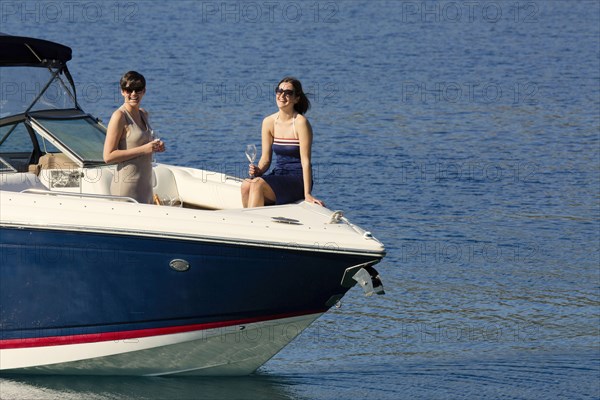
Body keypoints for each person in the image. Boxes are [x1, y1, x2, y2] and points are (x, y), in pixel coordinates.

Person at [241, 77, 324, 208]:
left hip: (297, 179)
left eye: (288, 93)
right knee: (246, 184)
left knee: (257, 184)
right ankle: (250, 221)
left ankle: (253, 223)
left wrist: (307, 193)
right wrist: (258, 170)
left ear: (296, 98)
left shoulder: (300, 123)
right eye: (279, 91)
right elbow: (266, 159)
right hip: (278, 174)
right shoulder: (268, 122)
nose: (282, 95)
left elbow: (306, 161)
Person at [103, 71, 165, 204]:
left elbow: (144, 145)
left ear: (144, 91)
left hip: (146, 187)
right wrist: (144, 149)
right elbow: (108, 156)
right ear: (122, 92)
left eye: (138, 90)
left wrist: (157, 146)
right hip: (126, 189)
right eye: (128, 90)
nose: (133, 94)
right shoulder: (119, 116)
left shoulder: (143, 114)